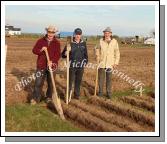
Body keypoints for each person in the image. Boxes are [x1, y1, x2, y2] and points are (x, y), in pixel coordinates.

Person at [31, 25, 61, 105]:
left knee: (51, 83)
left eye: (52, 33)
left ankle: (48, 98)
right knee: (38, 82)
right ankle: (36, 98)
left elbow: (58, 55)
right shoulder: (41, 41)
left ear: (54, 33)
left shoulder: (57, 43)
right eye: (49, 32)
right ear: (47, 32)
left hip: (52, 66)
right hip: (41, 65)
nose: (50, 34)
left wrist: (52, 61)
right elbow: (34, 50)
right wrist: (41, 50)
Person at [62, 28, 88, 100]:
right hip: (72, 66)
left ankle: (76, 96)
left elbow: (86, 55)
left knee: (78, 81)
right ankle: (67, 96)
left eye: (79, 34)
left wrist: (84, 63)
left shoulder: (83, 43)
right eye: (76, 34)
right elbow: (63, 55)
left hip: (80, 66)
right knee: (70, 82)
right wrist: (66, 53)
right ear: (74, 34)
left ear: (81, 35)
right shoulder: (69, 43)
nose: (78, 36)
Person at [95, 27, 120, 99]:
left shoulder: (114, 41)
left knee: (109, 80)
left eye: (108, 33)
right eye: (105, 33)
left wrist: (116, 63)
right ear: (104, 33)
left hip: (110, 64)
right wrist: (97, 55)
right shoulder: (100, 41)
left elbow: (117, 52)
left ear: (111, 34)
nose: (107, 34)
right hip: (101, 64)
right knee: (101, 79)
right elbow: (96, 48)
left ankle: (109, 93)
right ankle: (100, 93)